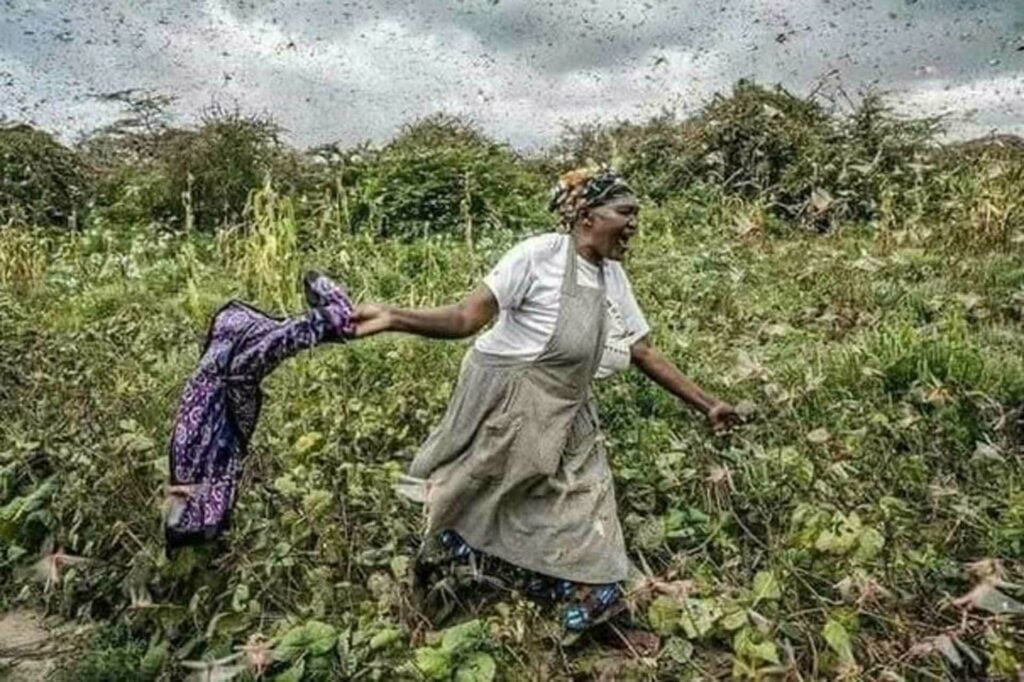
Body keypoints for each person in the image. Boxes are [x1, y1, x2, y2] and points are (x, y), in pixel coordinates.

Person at [352, 166, 737, 631]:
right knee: (486, 491)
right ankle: (458, 566)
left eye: (636, 213)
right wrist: (393, 316)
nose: (634, 223)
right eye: (625, 212)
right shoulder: (536, 257)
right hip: (511, 398)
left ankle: (591, 599)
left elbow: (642, 351)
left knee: (586, 502)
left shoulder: (612, 278)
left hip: (569, 405)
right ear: (587, 217)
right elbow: (463, 318)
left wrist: (708, 403)